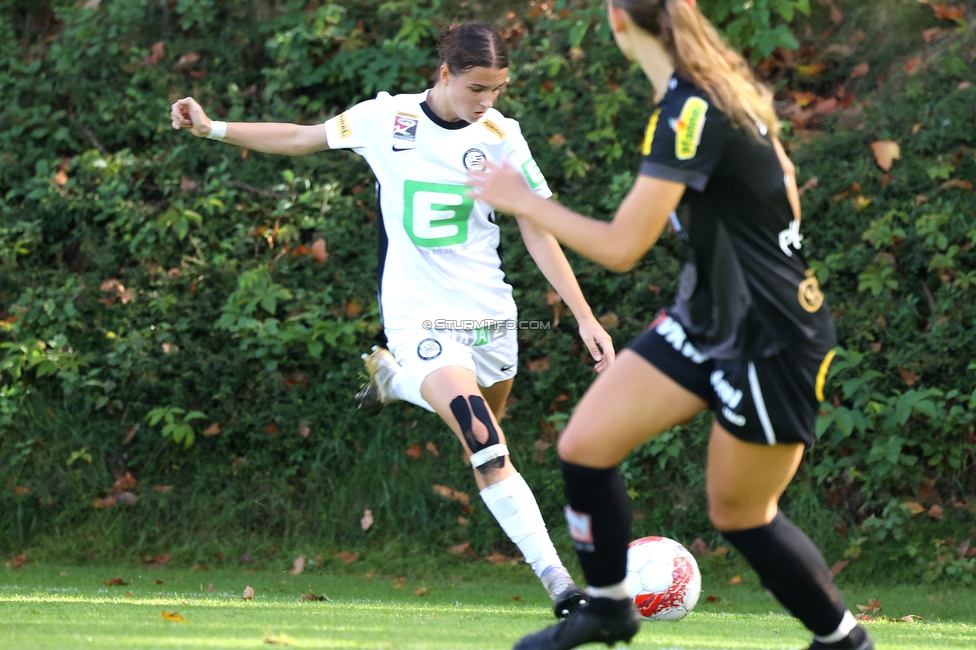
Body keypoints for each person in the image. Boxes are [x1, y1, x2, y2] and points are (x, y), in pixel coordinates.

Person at [170, 21, 615, 619]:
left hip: (490, 317)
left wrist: (584, 315)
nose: (488, 101)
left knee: (486, 433)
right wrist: (213, 128)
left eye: (499, 89)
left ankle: (395, 382)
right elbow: (304, 137)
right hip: (420, 315)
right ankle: (560, 584)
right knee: (486, 445)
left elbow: (537, 227)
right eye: (478, 88)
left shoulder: (504, 137)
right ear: (444, 75)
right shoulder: (387, 120)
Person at [467, 1, 874, 649]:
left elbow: (625, 246)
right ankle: (607, 607)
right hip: (707, 314)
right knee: (584, 448)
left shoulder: (693, 109)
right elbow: (786, 179)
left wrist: (522, 199)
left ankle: (843, 641)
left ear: (618, 20)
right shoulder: (697, 95)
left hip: (767, 335)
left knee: (741, 515)